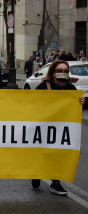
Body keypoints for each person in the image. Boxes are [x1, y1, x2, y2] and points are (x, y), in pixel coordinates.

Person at [31, 60, 85, 195]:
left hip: (62, 129)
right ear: (53, 73)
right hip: (44, 127)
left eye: (65, 71)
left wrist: (81, 102)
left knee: (59, 154)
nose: (62, 73)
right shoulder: (44, 86)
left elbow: (74, 108)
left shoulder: (71, 89)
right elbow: (31, 103)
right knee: (42, 152)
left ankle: (55, 182)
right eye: (59, 71)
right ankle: (36, 173)